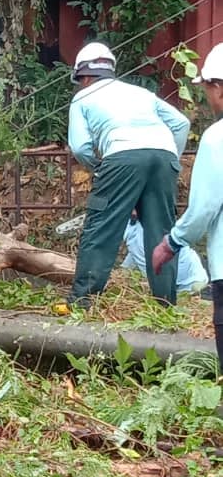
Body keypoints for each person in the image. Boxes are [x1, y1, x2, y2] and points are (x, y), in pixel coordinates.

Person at [67, 42, 190, 307]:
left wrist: (99, 169)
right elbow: (181, 123)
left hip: (121, 155)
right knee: (162, 232)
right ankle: (165, 304)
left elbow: (79, 146)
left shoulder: (82, 98)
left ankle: (83, 302)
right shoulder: (141, 93)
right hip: (164, 154)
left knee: (101, 227)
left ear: (84, 76)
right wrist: (171, 159)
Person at [153, 43, 223, 372]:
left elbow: (204, 208)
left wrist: (172, 242)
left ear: (219, 88)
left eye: (208, 88)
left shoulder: (216, 138)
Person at [122, 215, 208, 294]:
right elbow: (135, 248)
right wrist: (123, 270)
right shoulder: (130, 226)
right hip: (160, 287)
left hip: (188, 282)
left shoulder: (158, 224)